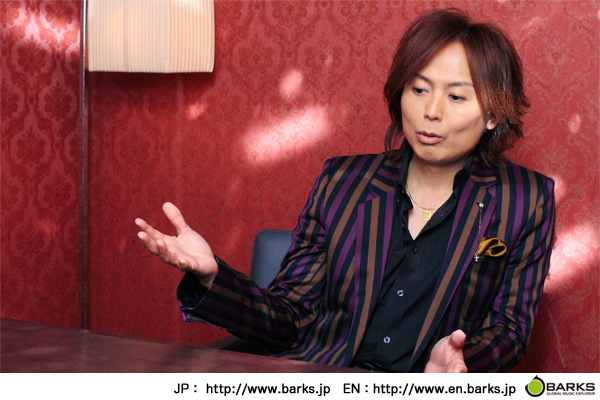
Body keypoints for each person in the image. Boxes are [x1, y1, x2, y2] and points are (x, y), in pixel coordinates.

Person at [135, 9, 555, 372]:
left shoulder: (526, 199)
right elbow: (291, 316)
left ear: (492, 114)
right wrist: (212, 276)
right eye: (419, 89)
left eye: (457, 97)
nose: (431, 111)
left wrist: (463, 361)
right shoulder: (343, 182)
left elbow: (509, 328)